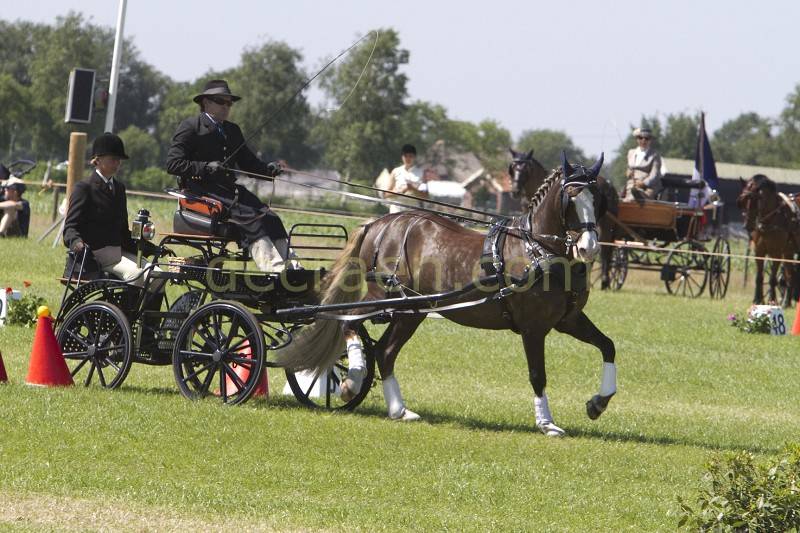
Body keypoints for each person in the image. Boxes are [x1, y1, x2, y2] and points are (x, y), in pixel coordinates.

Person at [165, 79, 296, 271]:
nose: (226, 107)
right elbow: (173, 163)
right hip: (202, 192)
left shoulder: (232, 130)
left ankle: (293, 267)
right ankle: (275, 269)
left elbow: (249, 163)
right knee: (250, 217)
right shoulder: (191, 126)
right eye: (221, 101)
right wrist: (206, 167)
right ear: (206, 102)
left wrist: (269, 170)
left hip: (229, 192)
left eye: (229, 103)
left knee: (270, 217)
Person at [63, 133, 162, 287]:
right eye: (113, 159)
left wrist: (150, 247)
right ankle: (129, 304)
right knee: (135, 275)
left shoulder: (119, 188)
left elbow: (123, 231)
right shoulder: (84, 188)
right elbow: (70, 228)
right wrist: (77, 243)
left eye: (119, 160)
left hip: (119, 253)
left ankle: (147, 304)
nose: (117, 163)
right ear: (98, 160)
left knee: (158, 275)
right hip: (95, 257)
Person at [623, 127, 663, 201]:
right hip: (631, 185)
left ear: (650, 140)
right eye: (640, 138)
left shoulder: (655, 155)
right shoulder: (631, 152)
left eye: (646, 138)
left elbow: (655, 174)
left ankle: (638, 196)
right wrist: (628, 173)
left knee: (634, 198)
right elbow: (629, 169)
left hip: (647, 188)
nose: (643, 140)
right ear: (637, 139)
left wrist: (644, 183)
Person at [388, 144, 428, 214]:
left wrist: (413, 188)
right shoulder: (395, 171)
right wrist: (401, 191)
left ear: (414, 157)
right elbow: (386, 194)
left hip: (414, 211)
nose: (408, 158)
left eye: (410, 156)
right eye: (405, 156)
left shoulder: (422, 172)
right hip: (396, 210)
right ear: (402, 157)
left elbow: (425, 196)